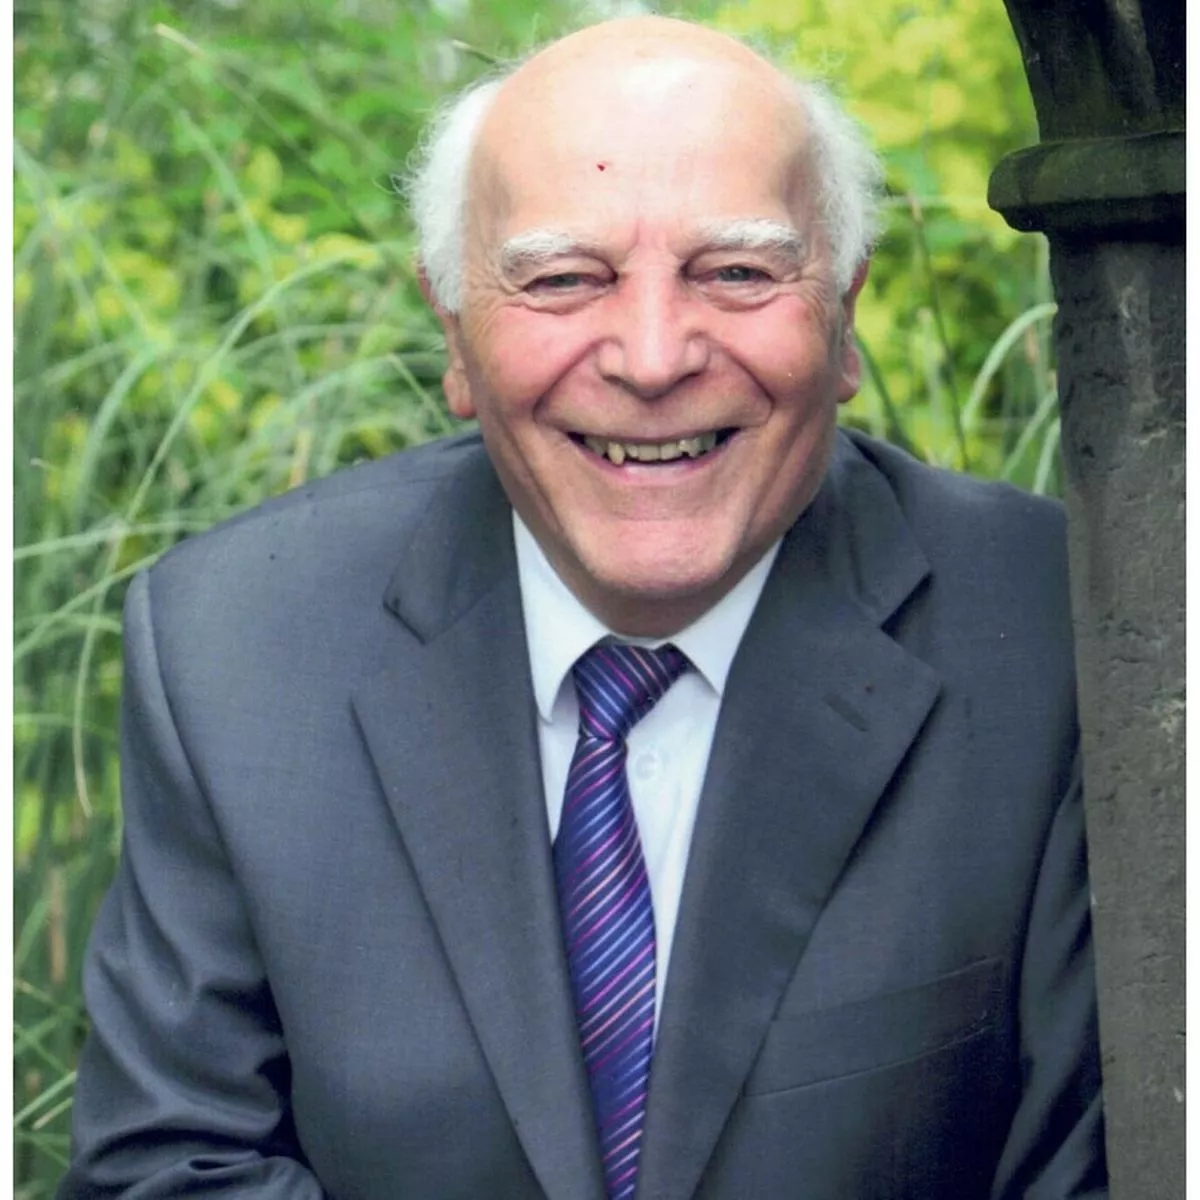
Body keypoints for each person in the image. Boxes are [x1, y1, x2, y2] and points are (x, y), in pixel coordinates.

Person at [60, 16, 1107, 1200]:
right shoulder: (234, 650)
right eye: (564, 279)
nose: (653, 358)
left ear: (844, 313)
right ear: (455, 332)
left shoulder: (1060, 634)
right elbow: (170, 1167)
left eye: (737, 273)